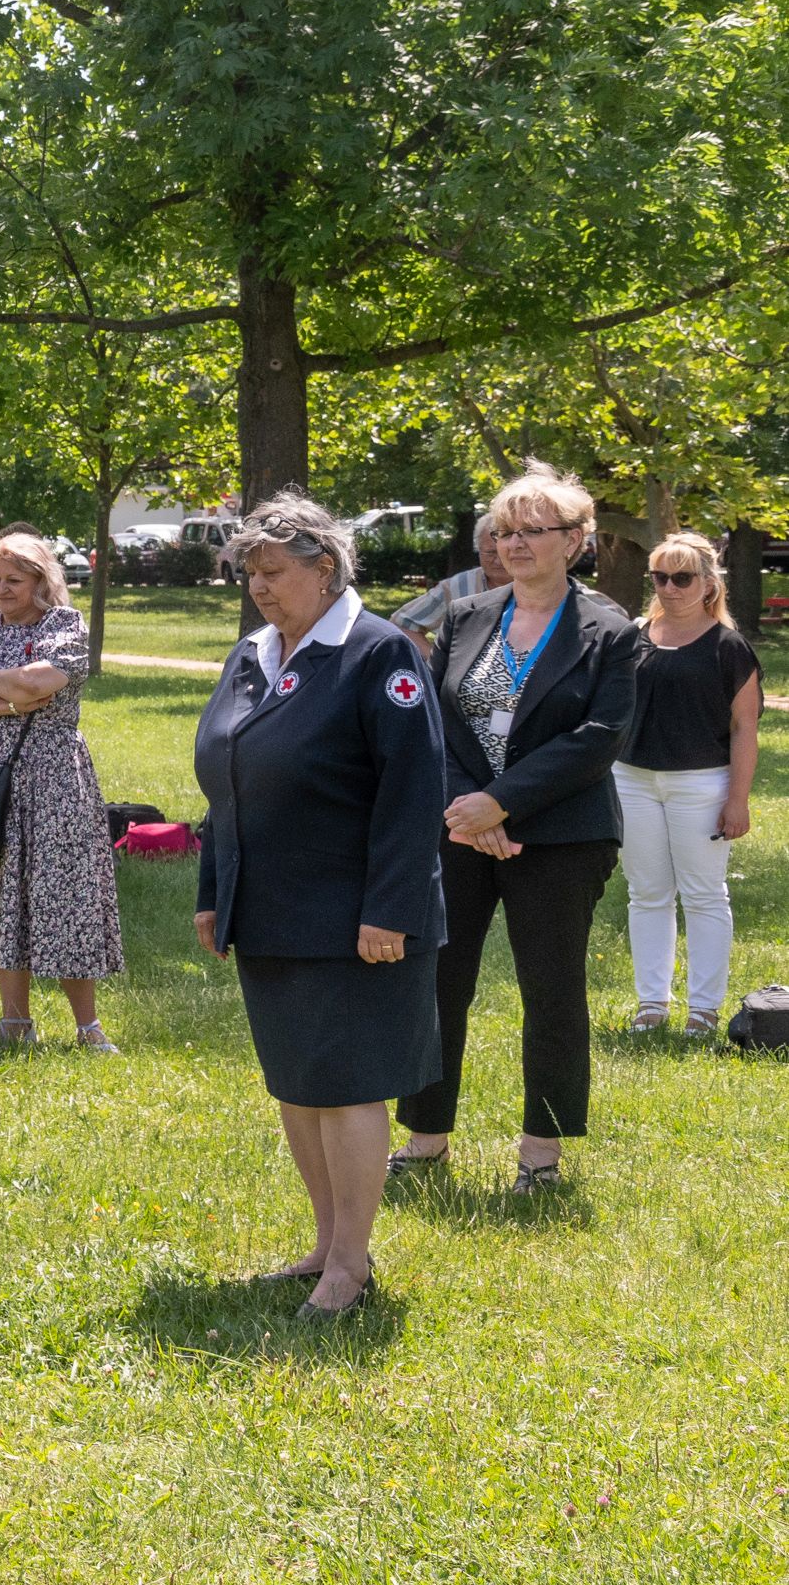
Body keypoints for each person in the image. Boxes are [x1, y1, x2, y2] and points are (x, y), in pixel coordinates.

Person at [191, 490, 447, 1317]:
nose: (258, 587)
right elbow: (226, 781)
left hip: (355, 918)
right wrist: (212, 891)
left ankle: (351, 1262)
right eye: (248, 573)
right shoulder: (254, 654)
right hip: (269, 909)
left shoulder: (379, 653)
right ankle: (325, 1242)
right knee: (298, 1085)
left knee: (347, 1085)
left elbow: (413, 793)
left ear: (326, 567)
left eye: (273, 570)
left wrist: (391, 910)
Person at [394, 463, 639, 1193]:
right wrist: (470, 810)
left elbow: (600, 736)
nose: (515, 543)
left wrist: (502, 803)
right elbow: (437, 725)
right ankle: (426, 1139)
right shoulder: (470, 614)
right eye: (505, 530)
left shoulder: (610, 629)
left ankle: (541, 1155)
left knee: (552, 990)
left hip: (561, 836)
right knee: (439, 982)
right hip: (460, 830)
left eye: (534, 530)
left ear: (575, 540)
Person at [0, 531, 122, 1049]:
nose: (2, 588)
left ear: (42, 580)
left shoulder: (66, 623)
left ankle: (88, 1026)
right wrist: (11, 701)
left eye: (14, 579)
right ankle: (15, 1021)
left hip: (55, 779)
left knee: (64, 895)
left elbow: (41, 682)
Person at [619, 533, 761, 1037]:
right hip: (631, 780)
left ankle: (704, 1008)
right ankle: (651, 1004)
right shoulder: (631, 635)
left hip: (702, 784)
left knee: (703, 895)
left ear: (707, 584)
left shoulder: (729, 646)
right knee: (646, 893)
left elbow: (746, 727)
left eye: (683, 577)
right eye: (661, 577)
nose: (671, 587)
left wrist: (737, 800)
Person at [391, 517, 501, 655]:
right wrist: (436, 664)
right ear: (478, 549)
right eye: (490, 552)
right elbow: (402, 623)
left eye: (504, 551)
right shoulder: (458, 587)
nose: (498, 561)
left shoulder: (535, 587)